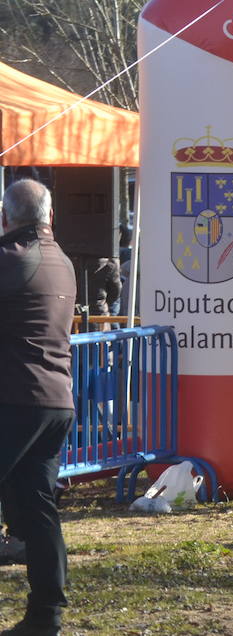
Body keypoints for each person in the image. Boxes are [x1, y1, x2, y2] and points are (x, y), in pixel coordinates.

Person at [0, 179, 77, 636]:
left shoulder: (12, 260)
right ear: (50, 216)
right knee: (37, 507)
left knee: (36, 506)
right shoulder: (62, 259)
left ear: (6, 217)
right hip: (55, 401)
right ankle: (45, 614)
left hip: (15, 399)